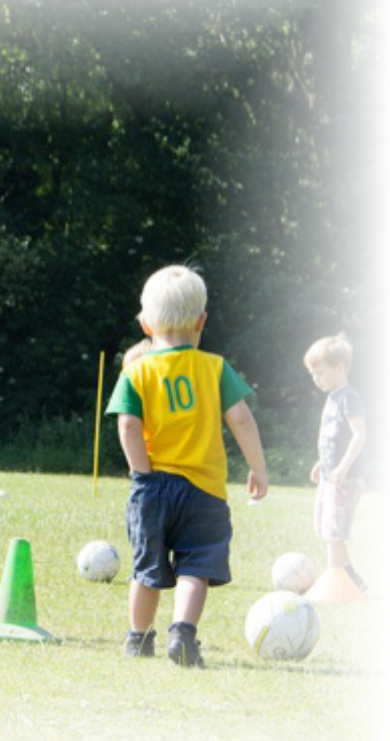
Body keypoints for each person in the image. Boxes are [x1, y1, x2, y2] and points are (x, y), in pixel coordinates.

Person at [105, 264, 268, 667]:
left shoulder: (136, 370)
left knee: (147, 568)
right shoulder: (214, 367)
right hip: (205, 491)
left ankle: (138, 639)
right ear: (202, 321)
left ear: (145, 323)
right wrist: (258, 468)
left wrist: (143, 474)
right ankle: (183, 632)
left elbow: (127, 424)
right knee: (197, 565)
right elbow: (242, 419)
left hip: (152, 486)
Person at [303, 333, 368, 593]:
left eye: (319, 373)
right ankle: (348, 579)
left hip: (346, 477)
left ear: (340, 368)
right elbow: (334, 438)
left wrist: (342, 468)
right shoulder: (332, 398)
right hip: (331, 475)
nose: (315, 379)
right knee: (325, 527)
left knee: (334, 531)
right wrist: (324, 463)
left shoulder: (349, 397)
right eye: (313, 374)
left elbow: (358, 434)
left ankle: (339, 583)